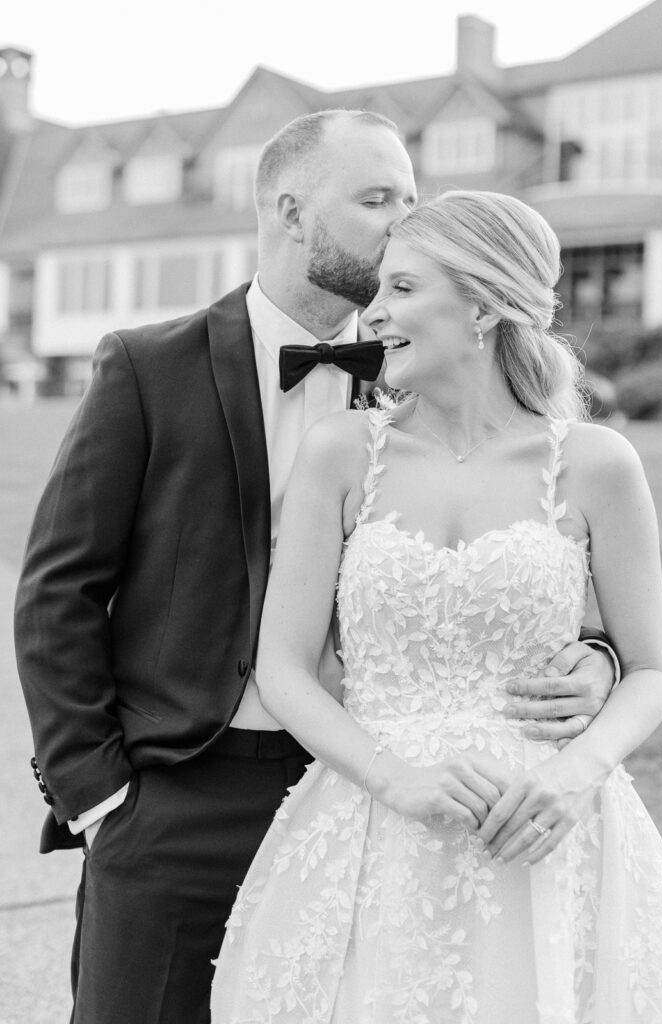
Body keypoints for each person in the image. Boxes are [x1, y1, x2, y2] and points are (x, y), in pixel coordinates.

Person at [13, 113, 617, 1024]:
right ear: (292, 212)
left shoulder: (433, 366)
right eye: (377, 200)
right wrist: (102, 800)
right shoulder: (148, 367)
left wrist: (597, 658)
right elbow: (58, 594)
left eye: (411, 199)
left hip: (381, 816)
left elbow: (521, 553)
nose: (402, 222)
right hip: (182, 794)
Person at [210, 190, 662, 1023]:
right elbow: (282, 668)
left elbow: (649, 670)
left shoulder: (598, 464)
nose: (375, 311)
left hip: (546, 834)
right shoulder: (343, 454)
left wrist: (576, 775)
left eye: (400, 289)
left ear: (483, 304)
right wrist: (398, 782)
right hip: (377, 821)